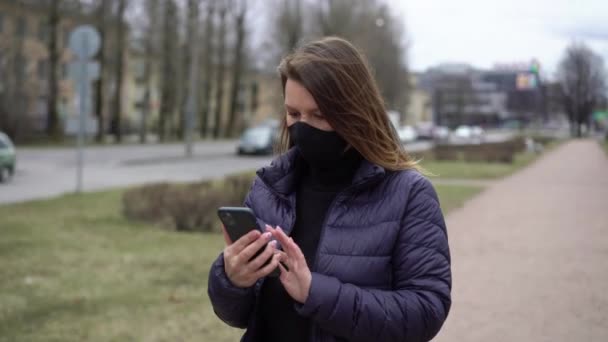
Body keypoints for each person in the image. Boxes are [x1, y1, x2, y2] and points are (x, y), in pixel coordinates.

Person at [208, 37, 451, 342]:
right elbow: (238, 314)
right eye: (293, 114)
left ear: (355, 113)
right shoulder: (269, 187)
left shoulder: (409, 194)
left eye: (320, 115)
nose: (303, 127)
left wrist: (314, 291)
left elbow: (426, 312)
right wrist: (231, 279)